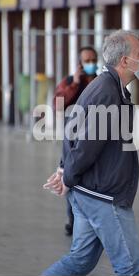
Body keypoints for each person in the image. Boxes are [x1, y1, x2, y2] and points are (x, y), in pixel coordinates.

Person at [42, 30, 139, 276]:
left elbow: (73, 129)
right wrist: (67, 176)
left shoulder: (110, 87)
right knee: (131, 268)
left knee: (79, 261)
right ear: (124, 61)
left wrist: (64, 169)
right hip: (102, 196)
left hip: (91, 191)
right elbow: (88, 144)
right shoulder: (107, 92)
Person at [51, 46, 98, 236]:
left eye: (93, 60)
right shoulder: (70, 82)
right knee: (72, 176)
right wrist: (75, 83)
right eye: (86, 61)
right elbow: (58, 105)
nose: (90, 64)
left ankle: (92, 220)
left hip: (96, 138)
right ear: (79, 64)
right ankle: (72, 218)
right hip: (73, 140)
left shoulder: (101, 81)